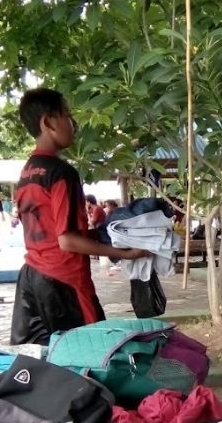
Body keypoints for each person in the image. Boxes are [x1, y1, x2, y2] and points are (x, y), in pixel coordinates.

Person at [10, 88, 147, 345]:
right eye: (67, 115)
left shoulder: (27, 172)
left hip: (31, 277)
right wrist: (123, 253)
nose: (73, 123)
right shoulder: (61, 173)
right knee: (91, 354)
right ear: (48, 122)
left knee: (46, 359)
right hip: (65, 281)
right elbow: (67, 241)